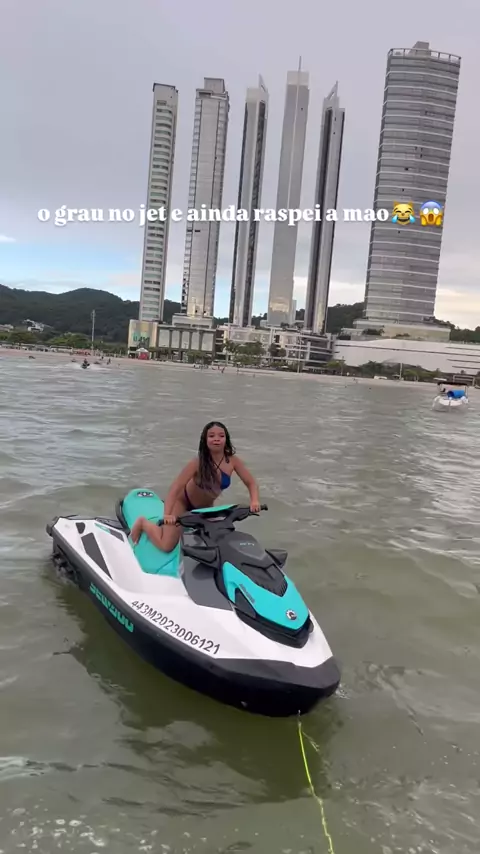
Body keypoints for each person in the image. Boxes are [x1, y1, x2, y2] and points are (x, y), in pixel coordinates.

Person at [130, 421, 260, 552]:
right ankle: (143, 523)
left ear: (226, 439)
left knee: (218, 539)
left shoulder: (232, 461)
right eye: (211, 436)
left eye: (221, 436)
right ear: (205, 440)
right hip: (183, 503)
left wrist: (254, 500)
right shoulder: (197, 462)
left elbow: (251, 482)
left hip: (206, 508)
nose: (216, 439)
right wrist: (167, 515)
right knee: (167, 546)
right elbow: (176, 487)